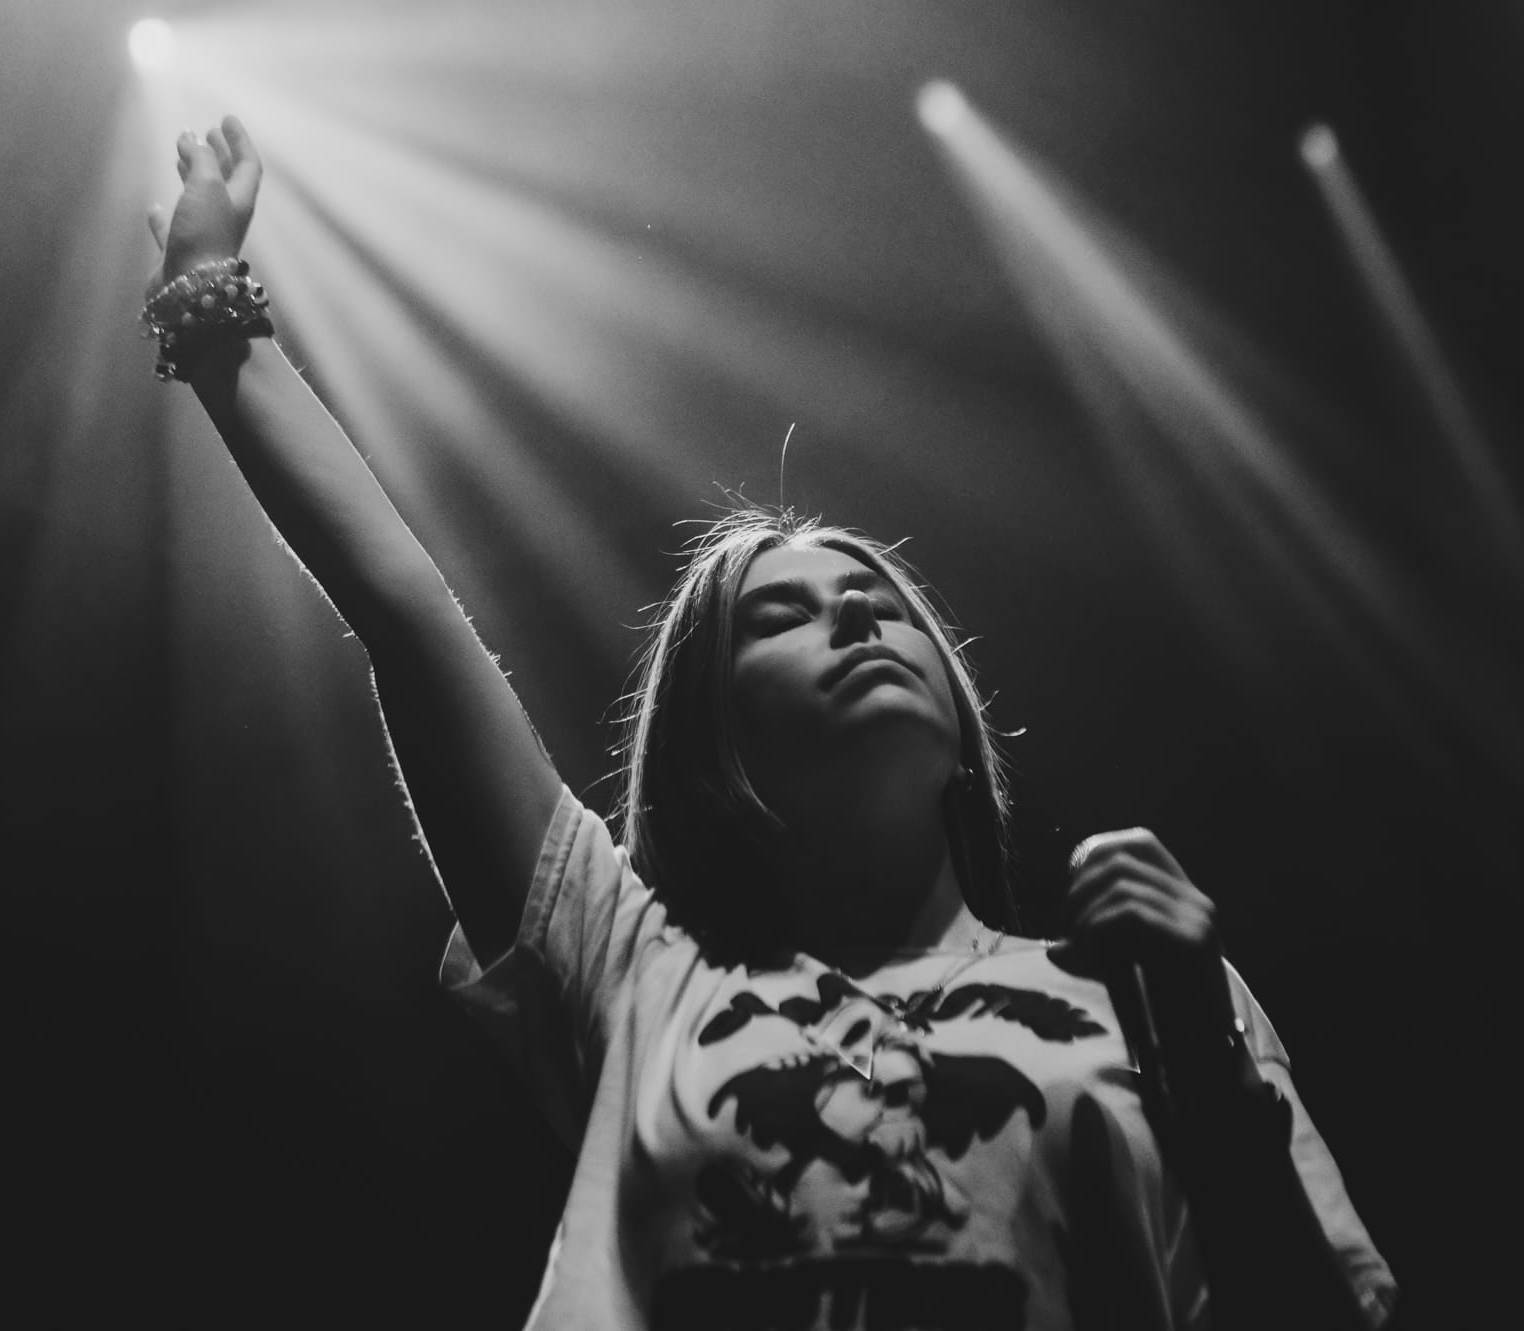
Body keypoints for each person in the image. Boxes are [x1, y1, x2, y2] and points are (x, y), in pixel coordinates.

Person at [145, 117, 1398, 1331]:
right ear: (712, 741)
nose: (854, 617)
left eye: (880, 603)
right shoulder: (632, 971)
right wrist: (208, 303)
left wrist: (1207, 1076)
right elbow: (408, 617)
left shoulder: (1151, 995)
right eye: (781, 616)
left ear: (960, 726)